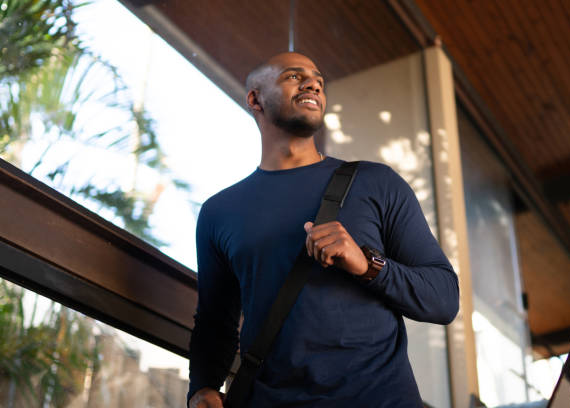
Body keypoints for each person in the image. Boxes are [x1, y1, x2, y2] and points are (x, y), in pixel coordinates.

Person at [188, 52, 459, 408]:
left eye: (317, 78)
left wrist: (367, 264)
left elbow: (443, 299)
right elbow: (215, 320)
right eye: (293, 76)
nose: (313, 83)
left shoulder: (377, 183)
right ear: (255, 98)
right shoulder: (218, 212)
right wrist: (202, 387)